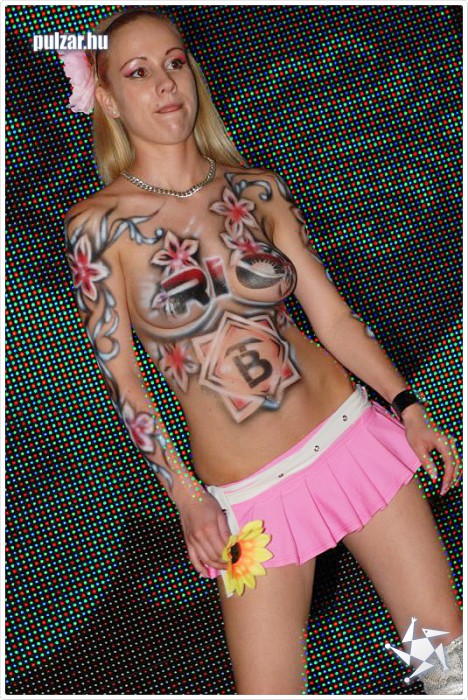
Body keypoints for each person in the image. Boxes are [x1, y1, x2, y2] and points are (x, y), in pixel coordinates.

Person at [61, 8, 463, 695]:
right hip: (251, 505)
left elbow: (333, 319)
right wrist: (186, 496)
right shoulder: (97, 229)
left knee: (447, 666)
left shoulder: (255, 189)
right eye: (138, 72)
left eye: (175, 63)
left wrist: (408, 406)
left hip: (353, 444)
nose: (165, 84)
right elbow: (124, 378)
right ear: (108, 98)